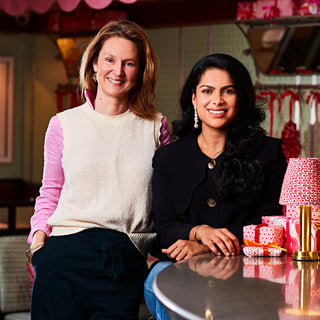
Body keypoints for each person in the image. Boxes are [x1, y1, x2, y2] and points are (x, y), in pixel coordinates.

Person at [27, 19, 171, 320]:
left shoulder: (157, 127)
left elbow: (165, 200)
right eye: (109, 60)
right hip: (62, 255)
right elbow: (49, 193)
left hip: (124, 258)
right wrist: (38, 246)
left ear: (141, 71)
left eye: (129, 63)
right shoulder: (63, 124)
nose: (117, 72)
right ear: (94, 64)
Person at [144, 53, 287, 319]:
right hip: (182, 271)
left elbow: (273, 223)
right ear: (194, 98)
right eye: (207, 91)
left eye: (228, 91)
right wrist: (199, 232)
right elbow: (164, 228)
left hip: (250, 270)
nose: (217, 100)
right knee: (158, 280)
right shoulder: (169, 157)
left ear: (241, 98)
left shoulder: (268, 152)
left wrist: (209, 248)